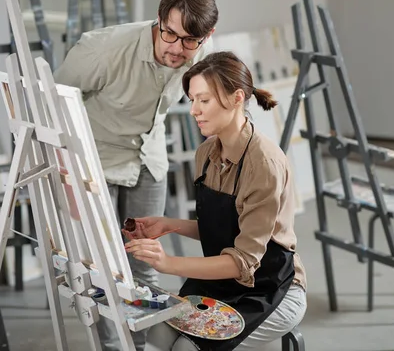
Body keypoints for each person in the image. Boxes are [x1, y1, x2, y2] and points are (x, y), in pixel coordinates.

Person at [53, 0, 218, 351]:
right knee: (103, 268)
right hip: (96, 160)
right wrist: (65, 174)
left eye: (189, 40)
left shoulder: (199, 53)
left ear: (207, 36)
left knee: (145, 262)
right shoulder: (104, 49)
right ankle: (113, 349)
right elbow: (52, 102)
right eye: (169, 33)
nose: (176, 48)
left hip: (148, 158)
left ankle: (138, 346)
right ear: (159, 21)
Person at [124, 51, 308, 351]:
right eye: (191, 99)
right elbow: (224, 226)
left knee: (186, 348)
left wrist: (168, 263)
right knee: (157, 336)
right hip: (220, 280)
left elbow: (244, 261)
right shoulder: (207, 153)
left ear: (237, 98)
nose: (194, 110)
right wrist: (171, 225)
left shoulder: (263, 164)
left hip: (269, 288)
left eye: (204, 100)